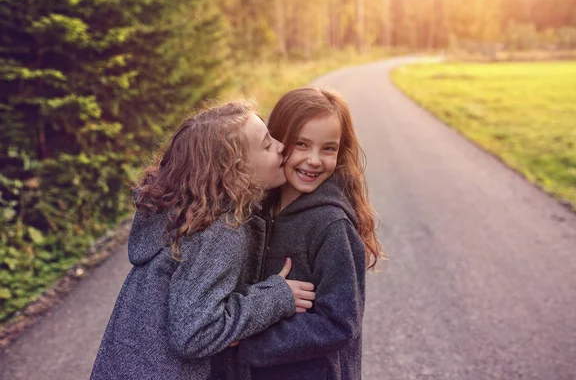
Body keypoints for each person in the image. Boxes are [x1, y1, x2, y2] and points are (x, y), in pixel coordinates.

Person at [90, 101, 316, 380]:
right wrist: (275, 297)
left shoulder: (181, 215)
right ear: (237, 170)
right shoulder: (221, 229)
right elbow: (195, 332)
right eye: (267, 145)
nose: (281, 146)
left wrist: (229, 324)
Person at [236, 87, 383, 380]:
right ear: (277, 142)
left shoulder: (332, 226)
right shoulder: (256, 208)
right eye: (301, 144)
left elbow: (339, 323)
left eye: (328, 148)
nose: (314, 160)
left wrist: (249, 343)